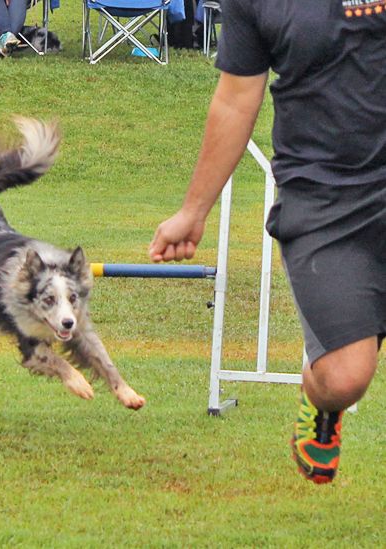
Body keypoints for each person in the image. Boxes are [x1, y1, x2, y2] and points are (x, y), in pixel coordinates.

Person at [148, 0, 385, 484]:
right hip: (324, 198)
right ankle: (320, 396)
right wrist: (194, 211)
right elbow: (236, 99)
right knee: (344, 378)